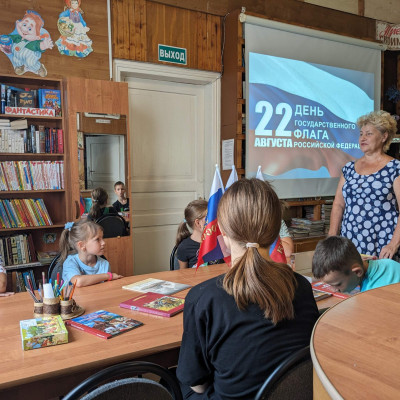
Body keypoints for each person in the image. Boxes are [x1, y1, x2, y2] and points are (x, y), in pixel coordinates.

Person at [176, 179, 319, 399]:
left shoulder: (204, 298)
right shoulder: (302, 286)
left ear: (222, 231)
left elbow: (197, 385)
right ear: (276, 232)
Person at [329, 110, 400, 260]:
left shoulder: (395, 168)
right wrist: (332, 236)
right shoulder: (348, 168)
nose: (363, 138)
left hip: (383, 244)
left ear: (384, 137)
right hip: (350, 241)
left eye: (369, 134)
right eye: (361, 134)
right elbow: (338, 204)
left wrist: (393, 244)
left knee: (380, 277)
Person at [312, 236, 400, 293]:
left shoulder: (372, 293)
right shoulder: (389, 263)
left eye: (337, 284)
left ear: (357, 272)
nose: (334, 290)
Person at [60, 220, 123, 287]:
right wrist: (108, 276)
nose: (103, 243)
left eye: (102, 238)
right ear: (82, 245)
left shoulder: (104, 264)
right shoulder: (70, 262)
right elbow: (78, 281)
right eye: (97, 239)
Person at [175, 199, 208, 269]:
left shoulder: (219, 241)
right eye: (210, 219)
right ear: (198, 223)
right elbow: (183, 273)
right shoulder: (184, 247)